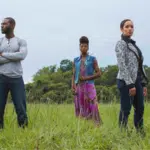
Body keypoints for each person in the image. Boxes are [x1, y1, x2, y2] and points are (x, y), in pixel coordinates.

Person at [115, 19, 148, 132]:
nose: (130, 29)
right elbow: (122, 65)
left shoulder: (133, 45)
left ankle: (140, 132)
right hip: (125, 82)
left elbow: (139, 66)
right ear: (121, 29)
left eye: (132, 26)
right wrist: (130, 84)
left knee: (140, 108)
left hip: (137, 80)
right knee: (126, 109)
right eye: (127, 26)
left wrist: (143, 83)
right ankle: (122, 133)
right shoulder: (121, 44)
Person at [0, 17, 28, 128]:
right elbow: (17, 56)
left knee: (20, 107)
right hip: (1, 77)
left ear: (12, 25)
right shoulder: (0, 41)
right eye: (1, 24)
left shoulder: (20, 41)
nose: (1, 26)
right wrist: (14, 56)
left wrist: (3, 54)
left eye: (4, 24)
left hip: (16, 78)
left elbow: (22, 55)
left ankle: (24, 130)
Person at [72, 36, 102, 126]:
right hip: (79, 87)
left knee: (93, 106)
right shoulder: (75, 60)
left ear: (88, 47)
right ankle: (84, 127)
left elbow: (99, 73)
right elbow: (73, 75)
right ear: (79, 47)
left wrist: (86, 78)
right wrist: (73, 86)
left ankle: (97, 127)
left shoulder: (92, 59)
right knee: (81, 107)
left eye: (85, 46)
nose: (83, 48)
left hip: (89, 86)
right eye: (81, 46)